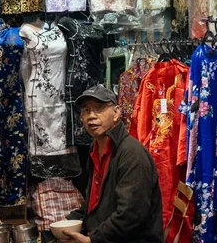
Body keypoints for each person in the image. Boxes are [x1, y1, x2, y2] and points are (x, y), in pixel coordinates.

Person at [62, 85, 163, 243]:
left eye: (99, 108)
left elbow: (131, 216)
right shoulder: (94, 150)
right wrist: (69, 222)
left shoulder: (132, 154)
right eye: (86, 110)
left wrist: (91, 240)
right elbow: (92, 203)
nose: (92, 116)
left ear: (116, 113)